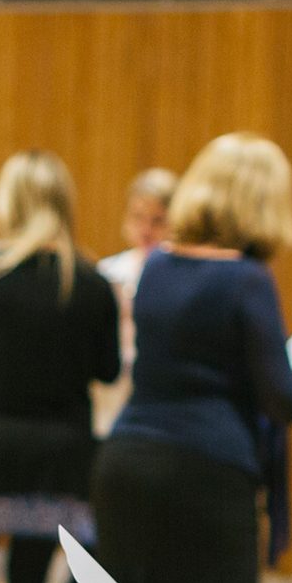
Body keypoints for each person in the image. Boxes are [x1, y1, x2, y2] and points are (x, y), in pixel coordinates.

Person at [91, 132, 292, 583]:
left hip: (126, 463)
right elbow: (284, 399)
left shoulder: (156, 265)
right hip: (206, 474)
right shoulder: (247, 279)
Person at [0, 150, 120, 583]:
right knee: (30, 576)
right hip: (58, 456)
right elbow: (108, 370)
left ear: (9, 203)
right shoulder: (92, 284)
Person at [92, 167, 177, 437]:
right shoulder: (107, 273)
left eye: (158, 220)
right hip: (109, 410)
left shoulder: (184, 278)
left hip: (162, 413)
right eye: (138, 217)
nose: (146, 229)